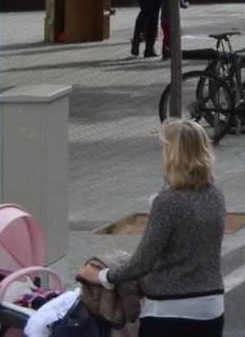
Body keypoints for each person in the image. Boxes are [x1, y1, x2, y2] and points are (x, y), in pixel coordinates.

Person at [79, 118, 225, 335]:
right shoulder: (215, 194)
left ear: (172, 154)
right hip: (212, 308)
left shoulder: (168, 201)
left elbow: (143, 262)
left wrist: (103, 276)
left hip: (171, 310)